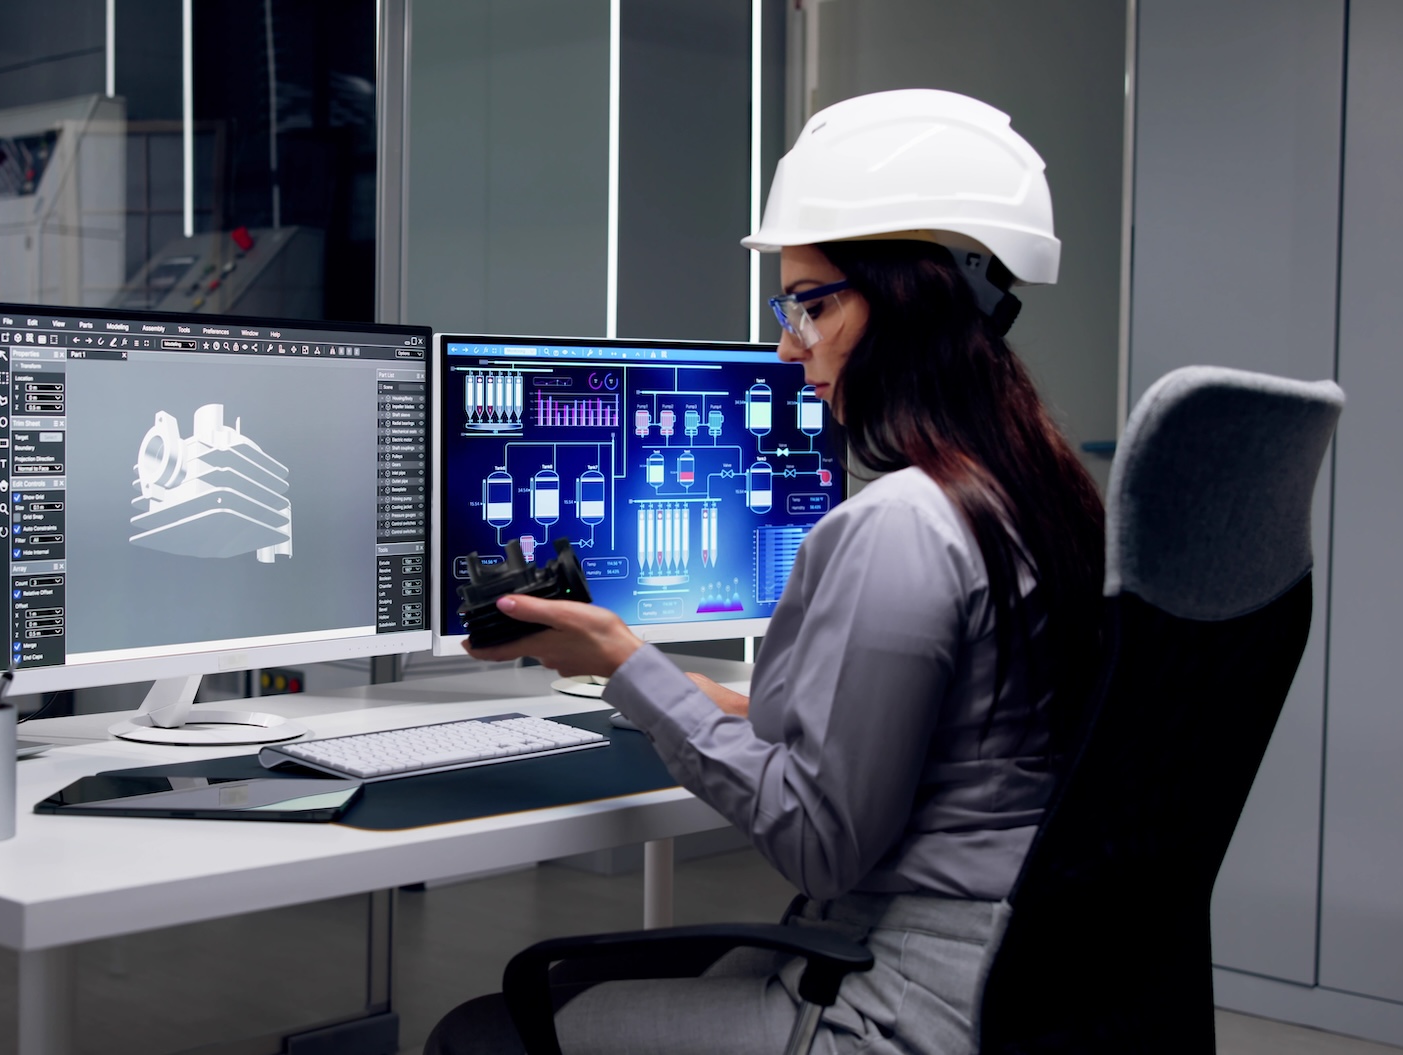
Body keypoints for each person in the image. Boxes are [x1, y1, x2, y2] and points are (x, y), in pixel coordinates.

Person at [426, 89, 1106, 1055]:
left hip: (895, 1002)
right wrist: (726, 704)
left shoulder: (900, 526)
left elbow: (819, 842)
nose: (790, 347)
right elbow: (960, 735)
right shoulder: (1031, 492)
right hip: (1018, 976)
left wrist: (623, 660)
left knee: (479, 1034)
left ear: (915, 301)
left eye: (812, 306)